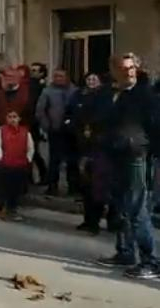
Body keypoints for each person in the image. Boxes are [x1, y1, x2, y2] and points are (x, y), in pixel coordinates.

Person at [96, 53, 160, 279]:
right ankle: (125, 252)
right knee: (122, 208)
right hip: (117, 156)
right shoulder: (116, 95)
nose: (128, 72)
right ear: (114, 71)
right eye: (123, 68)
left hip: (136, 157)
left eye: (132, 68)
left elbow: (155, 126)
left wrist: (148, 151)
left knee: (137, 209)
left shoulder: (145, 95)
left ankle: (151, 261)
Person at [67, 72, 110, 235]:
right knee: (86, 187)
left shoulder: (104, 98)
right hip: (83, 146)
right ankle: (88, 220)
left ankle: (96, 222)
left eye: (95, 78)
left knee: (97, 188)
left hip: (99, 148)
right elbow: (73, 115)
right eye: (89, 79)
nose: (91, 81)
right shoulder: (79, 95)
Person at [35, 69, 78, 196]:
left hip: (71, 131)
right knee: (54, 160)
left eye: (61, 76)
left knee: (72, 160)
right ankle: (52, 186)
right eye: (56, 76)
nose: (58, 79)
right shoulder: (48, 91)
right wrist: (47, 125)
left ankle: (73, 187)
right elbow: (40, 111)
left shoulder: (74, 91)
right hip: (55, 130)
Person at [0, 109, 35, 222]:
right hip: (5, 165)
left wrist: (27, 160)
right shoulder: (1, 130)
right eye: (10, 117)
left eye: (15, 117)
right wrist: (0, 158)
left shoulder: (25, 132)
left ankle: (12, 209)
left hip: (19, 165)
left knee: (15, 189)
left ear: (19, 119)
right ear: (6, 119)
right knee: (1, 189)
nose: (12, 119)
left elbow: (30, 147)